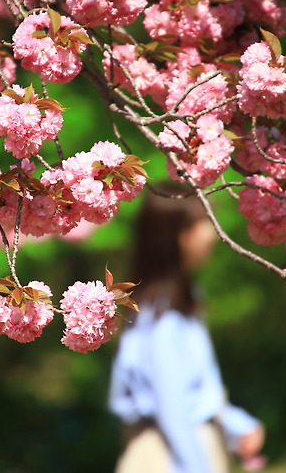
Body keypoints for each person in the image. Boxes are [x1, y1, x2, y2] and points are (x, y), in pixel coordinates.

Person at [108, 182, 266, 473]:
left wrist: (235, 424)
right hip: (173, 457)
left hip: (193, 447)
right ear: (173, 236)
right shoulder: (159, 320)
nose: (211, 235)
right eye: (201, 223)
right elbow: (173, 412)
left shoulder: (183, 302)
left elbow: (196, 394)